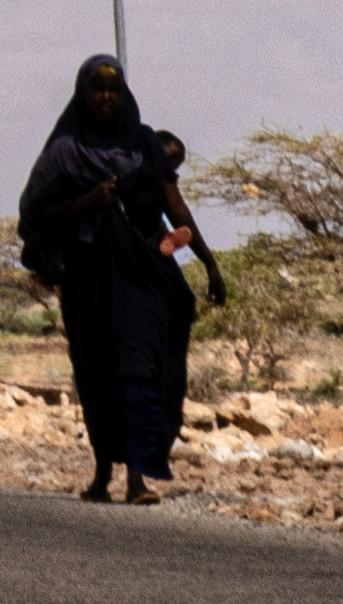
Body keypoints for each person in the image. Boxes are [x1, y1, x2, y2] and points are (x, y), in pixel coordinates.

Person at [15, 54, 215, 506]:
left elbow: (175, 207)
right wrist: (88, 200)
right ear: (83, 95)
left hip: (142, 270)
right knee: (97, 371)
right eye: (98, 90)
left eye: (114, 91)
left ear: (124, 96)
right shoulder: (65, 151)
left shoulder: (143, 144)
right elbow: (35, 212)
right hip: (89, 274)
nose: (106, 99)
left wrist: (209, 262)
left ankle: (138, 477)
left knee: (141, 367)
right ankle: (103, 471)